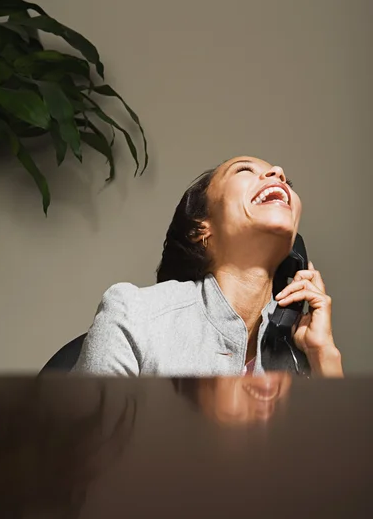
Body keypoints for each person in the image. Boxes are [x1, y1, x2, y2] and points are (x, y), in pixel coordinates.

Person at [73, 156, 344, 378]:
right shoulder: (134, 316)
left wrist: (324, 355)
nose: (279, 172)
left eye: (286, 179)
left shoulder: (305, 358)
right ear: (200, 229)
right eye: (244, 170)